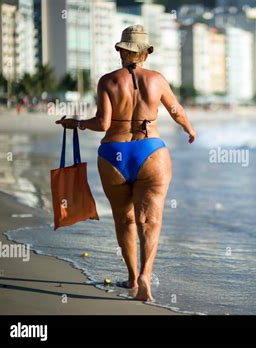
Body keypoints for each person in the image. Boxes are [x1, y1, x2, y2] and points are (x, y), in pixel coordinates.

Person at [56, 25, 197, 301]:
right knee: (151, 221)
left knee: (124, 218)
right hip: (151, 152)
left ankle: (132, 278)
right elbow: (176, 111)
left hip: (114, 156)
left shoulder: (107, 81)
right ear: (146, 53)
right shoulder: (156, 79)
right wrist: (189, 129)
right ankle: (145, 275)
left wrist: (77, 124)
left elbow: (103, 123)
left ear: (121, 50)